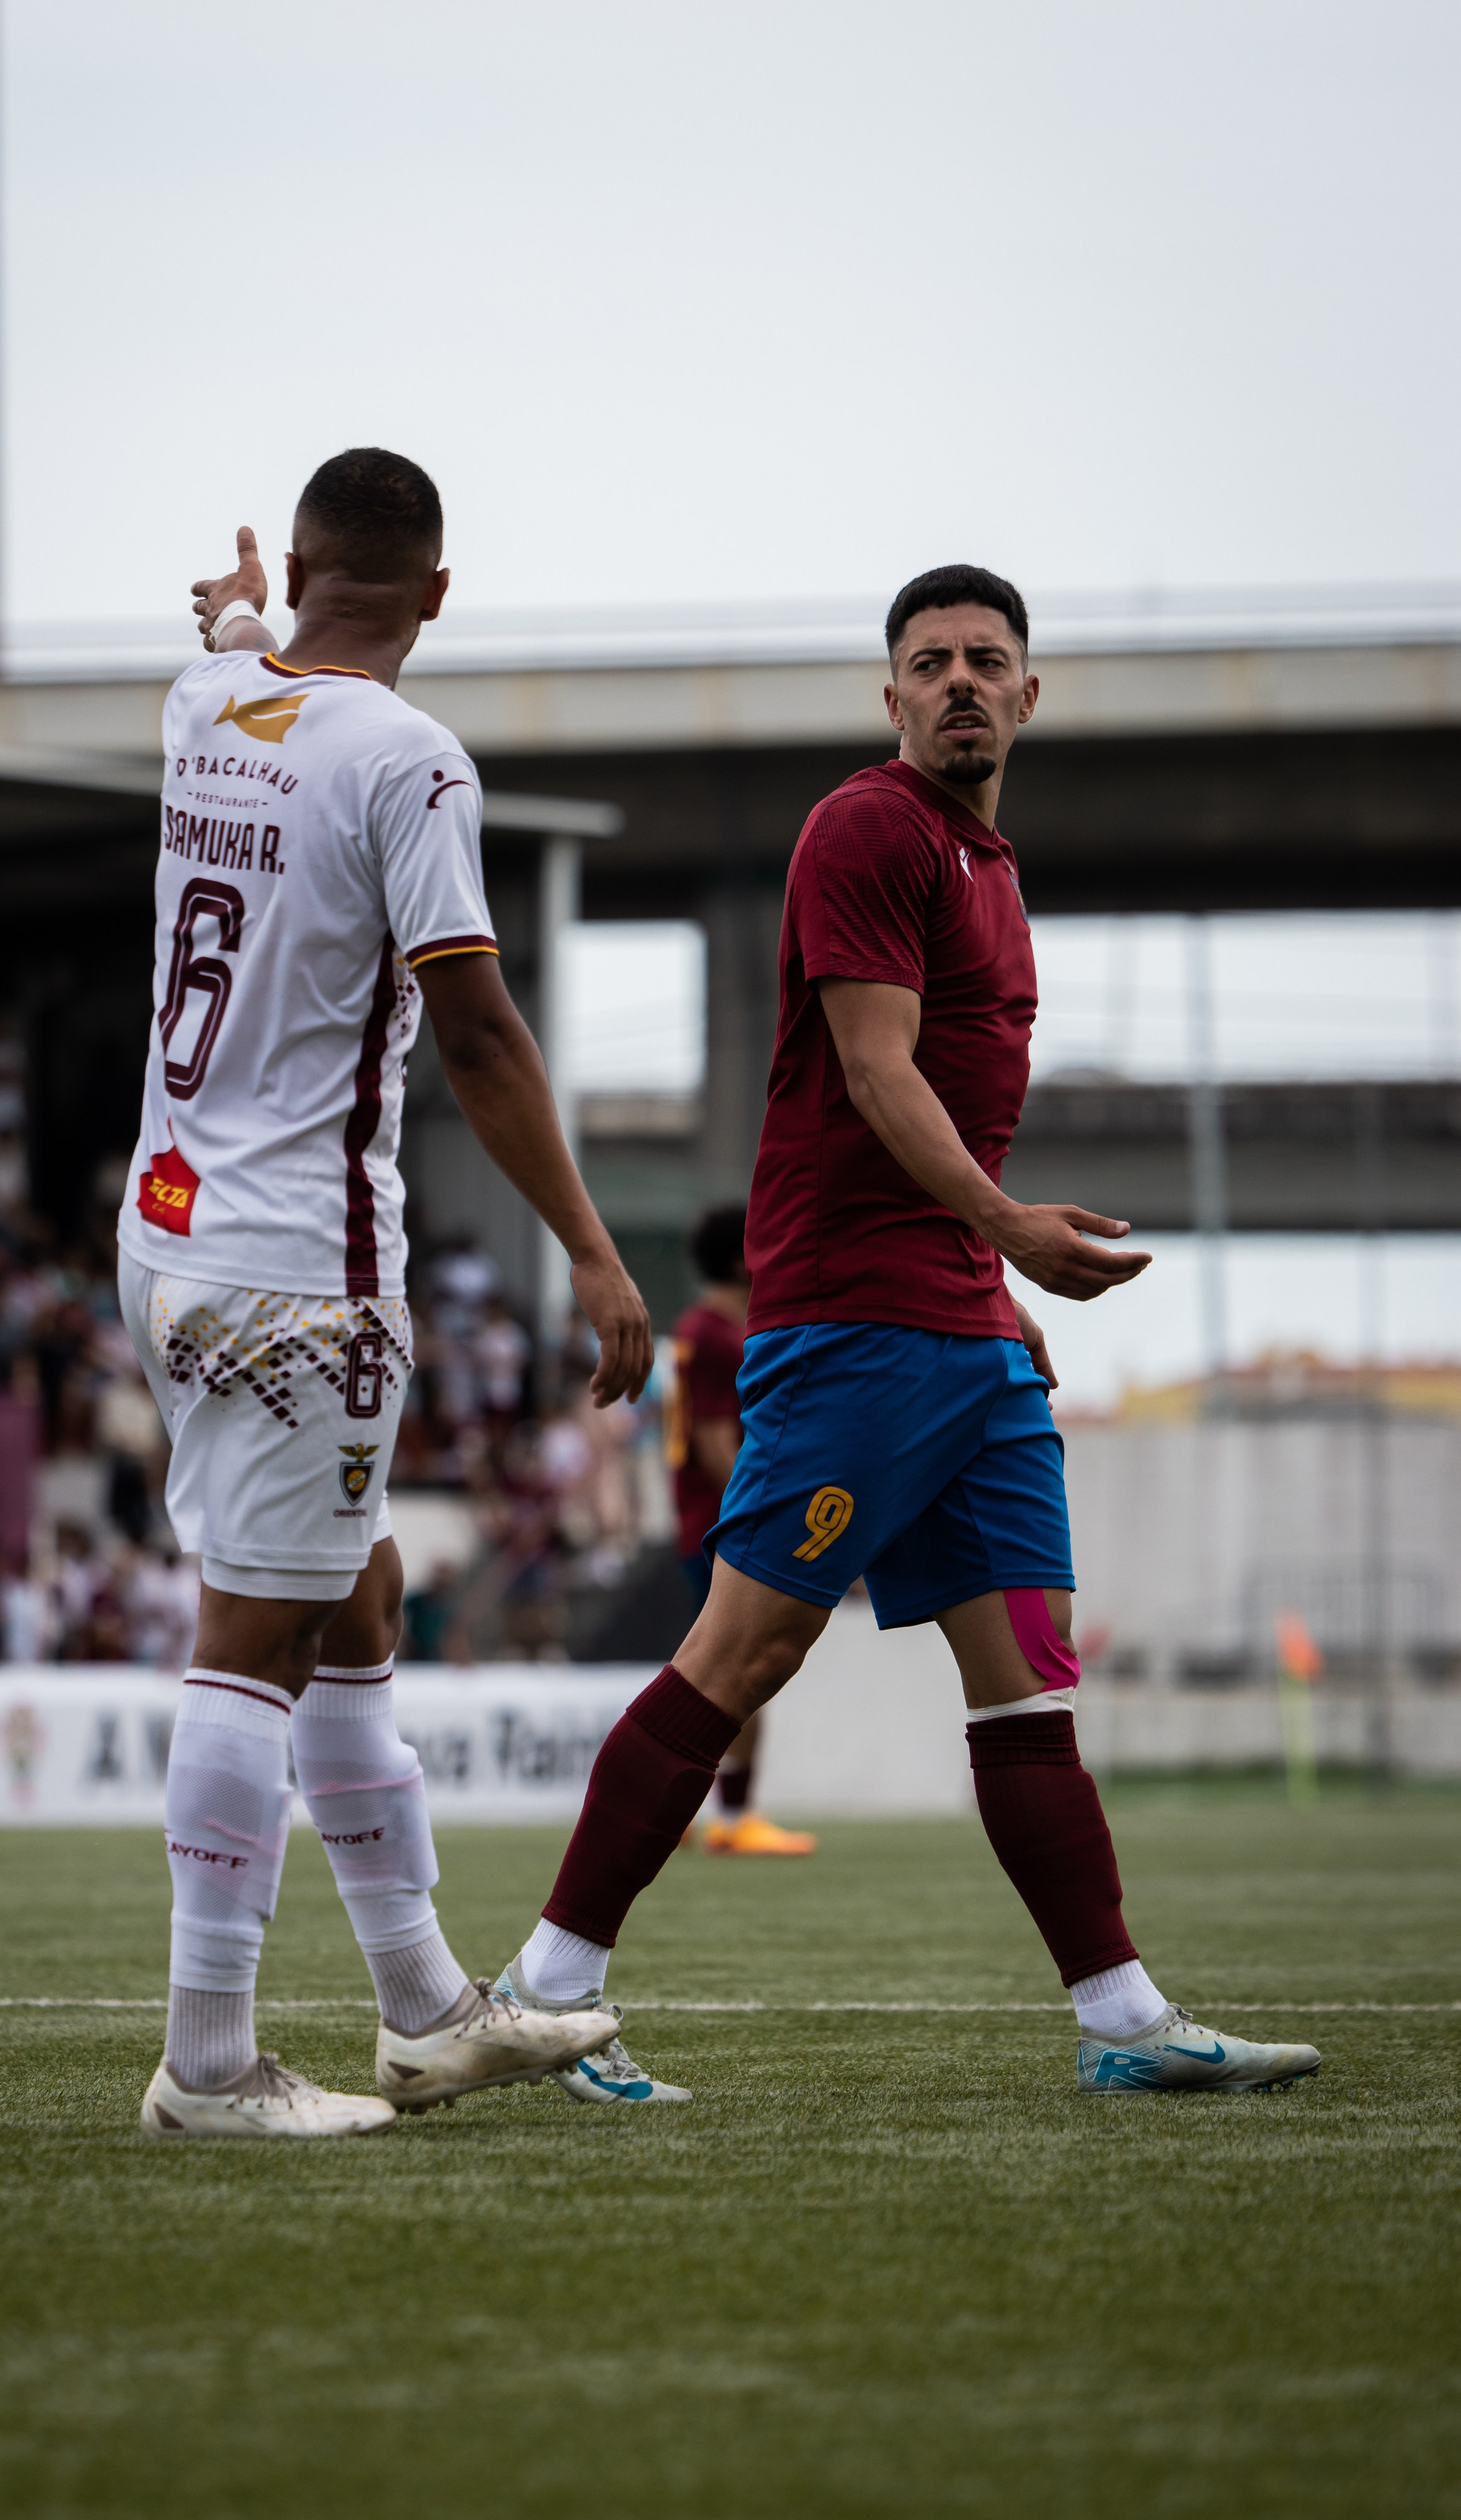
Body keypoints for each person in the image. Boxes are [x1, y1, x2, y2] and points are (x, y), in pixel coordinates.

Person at [493, 564, 1322, 2101]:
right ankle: (545, 1987)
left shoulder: (990, 865)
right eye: (927, 659)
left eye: (983, 659)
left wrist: (993, 1283)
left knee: (1023, 1684)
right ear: (890, 697)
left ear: (1025, 693)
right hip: (856, 1329)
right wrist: (1003, 1234)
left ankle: (1121, 2016)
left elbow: (936, 1118)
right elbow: (876, 1076)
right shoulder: (866, 827)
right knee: (745, 1649)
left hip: (963, 1334)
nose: (956, 679)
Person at [117, 447, 651, 2139]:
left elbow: (226, 637)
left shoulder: (208, 701)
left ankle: (423, 2009)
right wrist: (586, 1240)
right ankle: (207, 2066)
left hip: (168, 1227)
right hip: (299, 1264)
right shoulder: (411, 761)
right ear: (436, 588)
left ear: (305, 569)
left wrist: (232, 609)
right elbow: (477, 1028)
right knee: (255, 1635)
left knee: (360, 1583)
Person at [667, 1202, 813, 1855]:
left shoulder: (710, 1331)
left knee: (726, 1671)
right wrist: (757, 1516)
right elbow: (715, 1440)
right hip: (722, 1522)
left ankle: (705, 1812)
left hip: (715, 1519)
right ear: (738, 1258)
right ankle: (725, 1816)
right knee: (735, 1671)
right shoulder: (716, 1336)